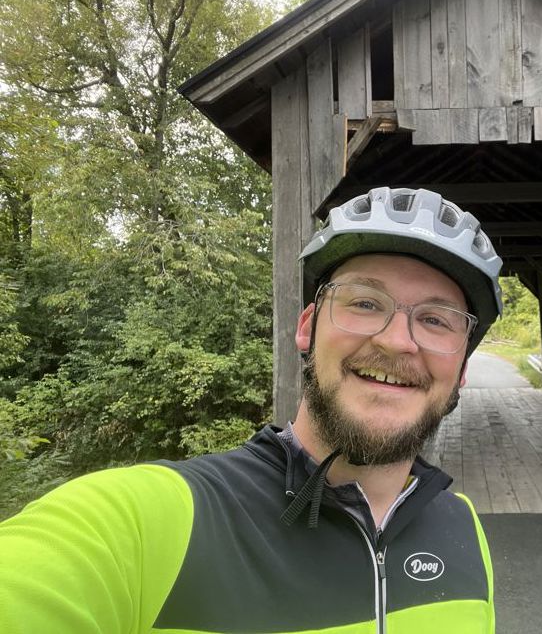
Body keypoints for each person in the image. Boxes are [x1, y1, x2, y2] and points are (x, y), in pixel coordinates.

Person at [0, 187, 502, 634]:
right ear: (307, 327)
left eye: (437, 320)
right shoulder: (142, 523)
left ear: (460, 369)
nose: (397, 342)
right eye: (365, 303)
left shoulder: (461, 528)